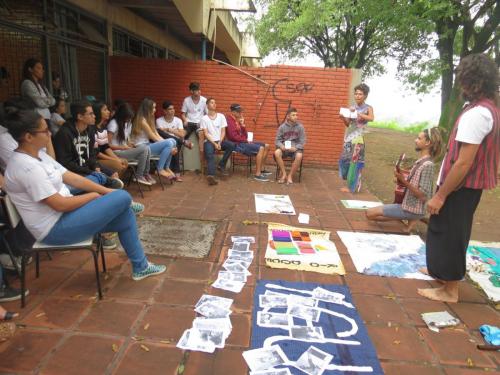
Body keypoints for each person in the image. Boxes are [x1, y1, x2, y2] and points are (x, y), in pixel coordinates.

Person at [3, 108, 166, 281]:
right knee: (123, 197)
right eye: (45, 130)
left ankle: (140, 267)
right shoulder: (26, 167)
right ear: (28, 137)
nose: (50, 133)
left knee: (124, 213)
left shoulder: (39, 156)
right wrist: (95, 196)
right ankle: (124, 203)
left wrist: (106, 191)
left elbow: (73, 178)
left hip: (66, 216)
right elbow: (59, 204)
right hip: (54, 229)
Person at [418, 53, 499, 303]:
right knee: (443, 229)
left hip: (460, 187)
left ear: (473, 82)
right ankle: (441, 273)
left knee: (451, 233)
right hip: (464, 186)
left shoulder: (478, 114)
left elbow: (464, 162)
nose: (459, 86)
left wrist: (441, 195)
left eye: (463, 80)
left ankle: (449, 290)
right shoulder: (487, 109)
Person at [366, 128, 443, 232]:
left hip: (412, 208)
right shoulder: (422, 161)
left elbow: (422, 195)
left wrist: (404, 181)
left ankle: (415, 217)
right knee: (373, 214)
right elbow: (414, 184)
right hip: (407, 205)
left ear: (428, 143)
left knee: (369, 213)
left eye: (419, 138)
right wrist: (401, 179)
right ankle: (414, 219)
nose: (415, 140)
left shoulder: (427, 165)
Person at [53, 100, 123, 191]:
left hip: (87, 169)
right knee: (100, 179)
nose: (94, 116)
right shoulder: (64, 134)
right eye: (90, 114)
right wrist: (91, 172)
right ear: (80, 116)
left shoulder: (89, 130)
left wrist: (95, 165)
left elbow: (92, 154)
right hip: (73, 173)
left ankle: (111, 189)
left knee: (113, 173)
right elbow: (66, 163)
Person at [339, 83, 374, 193]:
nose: (357, 96)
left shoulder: (368, 108)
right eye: (356, 94)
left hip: (358, 139)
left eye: (360, 94)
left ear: (365, 96)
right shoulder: (352, 107)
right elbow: (348, 124)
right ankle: (349, 182)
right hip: (349, 138)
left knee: (355, 162)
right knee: (345, 160)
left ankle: (352, 187)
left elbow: (371, 118)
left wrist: (358, 113)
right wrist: (343, 118)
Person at [131, 98, 177, 181]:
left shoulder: (149, 119)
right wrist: (169, 145)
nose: (155, 110)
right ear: (147, 108)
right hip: (141, 148)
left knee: (172, 141)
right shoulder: (142, 120)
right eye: (153, 108)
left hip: (147, 145)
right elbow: (152, 136)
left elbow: (156, 134)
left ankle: (166, 167)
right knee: (169, 143)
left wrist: (170, 145)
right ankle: (160, 169)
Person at [107, 103, 152, 186]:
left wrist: (129, 144)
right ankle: (139, 176)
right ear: (122, 115)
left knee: (147, 148)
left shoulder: (125, 123)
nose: (128, 120)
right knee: (144, 148)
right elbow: (107, 145)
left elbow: (124, 140)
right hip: (116, 153)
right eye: (127, 118)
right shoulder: (113, 124)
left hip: (123, 150)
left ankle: (145, 174)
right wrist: (123, 147)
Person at [225, 103, 272, 182]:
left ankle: (261, 169)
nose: (240, 114)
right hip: (237, 145)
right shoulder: (229, 120)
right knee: (260, 148)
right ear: (233, 112)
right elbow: (233, 137)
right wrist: (245, 140)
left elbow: (245, 136)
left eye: (241, 112)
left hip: (243, 142)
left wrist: (243, 125)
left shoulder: (237, 121)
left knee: (267, 146)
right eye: (238, 112)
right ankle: (257, 174)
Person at [200, 98, 235, 185]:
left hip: (220, 140)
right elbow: (206, 133)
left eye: (215, 102)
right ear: (207, 105)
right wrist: (214, 144)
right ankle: (211, 176)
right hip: (209, 141)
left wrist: (219, 142)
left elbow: (223, 131)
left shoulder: (221, 116)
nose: (214, 104)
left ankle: (221, 165)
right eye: (212, 103)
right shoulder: (204, 118)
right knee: (209, 154)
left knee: (231, 145)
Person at [156, 100, 193, 181]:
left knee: (175, 144)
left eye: (173, 108)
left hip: (176, 143)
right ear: (165, 111)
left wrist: (169, 129)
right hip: (164, 142)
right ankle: (177, 173)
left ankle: (173, 171)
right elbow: (161, 135)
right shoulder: (159, 121)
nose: (172, 110)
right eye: (170, 109)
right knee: (172, 141)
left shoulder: (178, 120)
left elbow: (182, 134)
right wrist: (176, 132)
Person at [92, 102, 128, 177]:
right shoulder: (92, 129)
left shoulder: (103, 128)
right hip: (95, 160)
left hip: (103, 157)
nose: (108, 112)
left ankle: (114, 183)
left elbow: (106, 147)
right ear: (97, 112)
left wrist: (116, 158)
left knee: (124, 162)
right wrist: (114, 160)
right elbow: (96, 153)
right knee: (118, 165)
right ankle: (110, 184)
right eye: (105, 110)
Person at [274, 107, 306, 185]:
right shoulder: (282, 127)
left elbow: (303, 141)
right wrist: (281, 146)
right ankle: (284, 173)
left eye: (296, 115)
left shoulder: (300, 127)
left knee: (299, 156)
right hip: (285, 148)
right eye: (293, 115)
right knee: (277, 153)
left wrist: (296, 148)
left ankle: (290, 176)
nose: (296, 117)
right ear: (288, 116)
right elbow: (277, 140)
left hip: (295, 148)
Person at [181, 82, 207, 146]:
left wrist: (203, 122)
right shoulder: (186, 100)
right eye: (197, 90)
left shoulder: (204, 100)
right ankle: (184, 148)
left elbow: (207, 114)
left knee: (201, 136)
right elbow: (183, 114)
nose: (199, 91)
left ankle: (202, 152)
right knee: (182, 135)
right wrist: (185, 120)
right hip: (189, 122)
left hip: (199, 123)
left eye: (199, 89)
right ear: (191, 91)